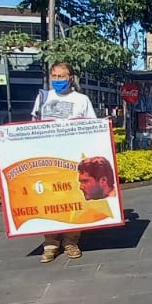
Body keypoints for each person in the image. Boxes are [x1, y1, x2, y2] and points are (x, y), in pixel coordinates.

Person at [34, 63, 97, 263]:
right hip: (47, 160)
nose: (58, 79)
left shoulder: (82, 100)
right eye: (54, 75)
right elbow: (32, 127)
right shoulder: (43, 98)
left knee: (72, 200)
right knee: (49, 200)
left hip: (73, 160)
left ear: (71, 77)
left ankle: (71, 241)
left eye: (62, 76)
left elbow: (92, 128)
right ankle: (50, 243)